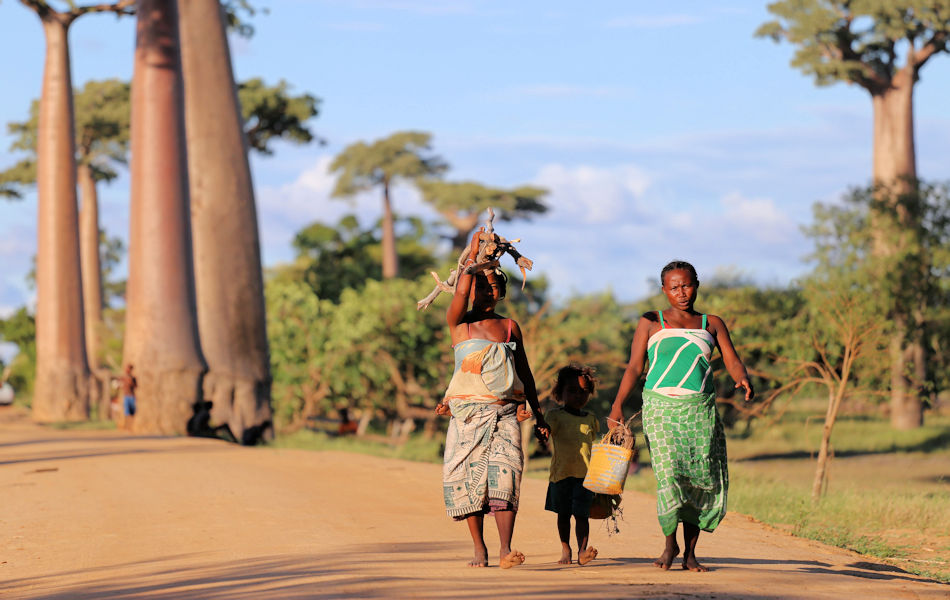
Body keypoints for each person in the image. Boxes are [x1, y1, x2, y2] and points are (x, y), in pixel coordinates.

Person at [608, 260, 754, 572]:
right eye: (674, 287)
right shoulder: (651, 321)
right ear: (664, 290)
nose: (681, 292)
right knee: (669, 474)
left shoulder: (711, 323)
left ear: (696, 285)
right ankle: (668, 543)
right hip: (660, 408)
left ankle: (689, 553)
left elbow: (731, 357)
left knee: (697, 480)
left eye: (686, 285)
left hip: (700, 411)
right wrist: (617, 404)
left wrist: (741, 377)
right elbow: (635, 367)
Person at [435, 229, 550, 569]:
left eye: (495, 285)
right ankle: (479, 549)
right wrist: (474, 252)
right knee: (470, 480)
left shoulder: (510, 328)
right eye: (481, 285)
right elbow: (460, 290)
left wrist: (539, 414)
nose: (488, 290)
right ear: (471, 288)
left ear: (502, 292)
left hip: (505, 414)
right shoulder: (460, 325)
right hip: (468, 416)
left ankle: (505, 549)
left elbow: (525, 373)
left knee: (507, 475)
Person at [544, 364, 600, 566]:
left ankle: (582, 551)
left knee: (582, 515)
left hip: (585, 477)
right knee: (564, 515)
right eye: (572, 391)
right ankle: (566, 548)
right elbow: (546, 432)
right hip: (561, 475)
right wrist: (541, 434)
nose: (578, 396)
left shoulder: (591, 419)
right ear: (560, 393)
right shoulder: (554, 416)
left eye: (583, 392)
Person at [120, 364, 138, 431]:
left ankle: (132, 427)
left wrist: (131, 383)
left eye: (129, 369)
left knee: (132, 413)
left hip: (132, 396)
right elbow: (120, 386)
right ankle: (126, 427)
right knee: (127, 413)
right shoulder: (123, 378)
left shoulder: (133, 378)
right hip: (126, 396)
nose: (128, 370)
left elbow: (136, 386)